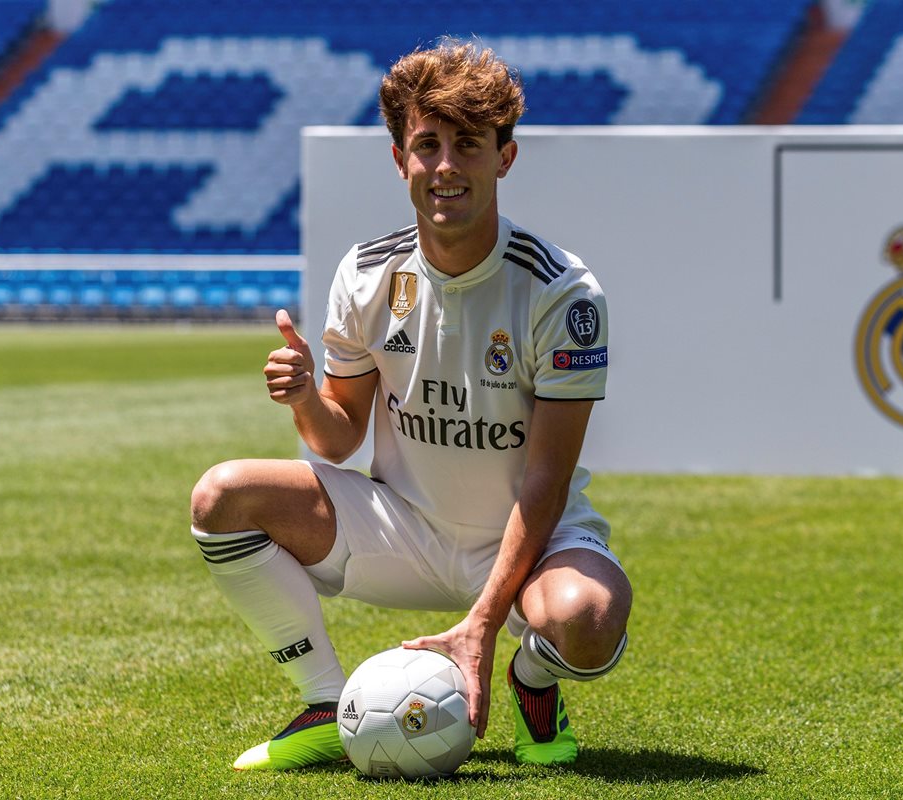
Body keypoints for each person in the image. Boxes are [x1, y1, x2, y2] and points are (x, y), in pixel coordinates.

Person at [189, 39, 632, 771]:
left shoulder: (561, 290)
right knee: (221, 496)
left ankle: (534, 681)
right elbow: (337, 441)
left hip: (525, 546)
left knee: (587, 620)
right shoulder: (366, 274)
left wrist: (485, 626)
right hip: (403, 528)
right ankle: (327, 703)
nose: (447, 167)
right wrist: (304, 397)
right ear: (400, 160)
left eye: (469, 144)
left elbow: (546, 480)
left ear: (505, 157)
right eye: (428, 145)